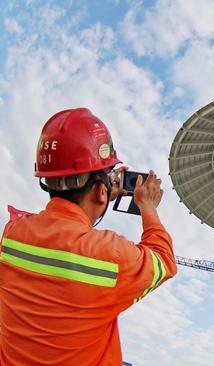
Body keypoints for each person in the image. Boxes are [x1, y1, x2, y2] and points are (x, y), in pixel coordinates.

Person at [0, 108, 177, 365]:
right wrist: (147, 207)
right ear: (100, 191)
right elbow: (163, 261)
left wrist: (99, 190)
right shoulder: (113, 256)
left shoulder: (13, 234)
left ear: (47, 181)